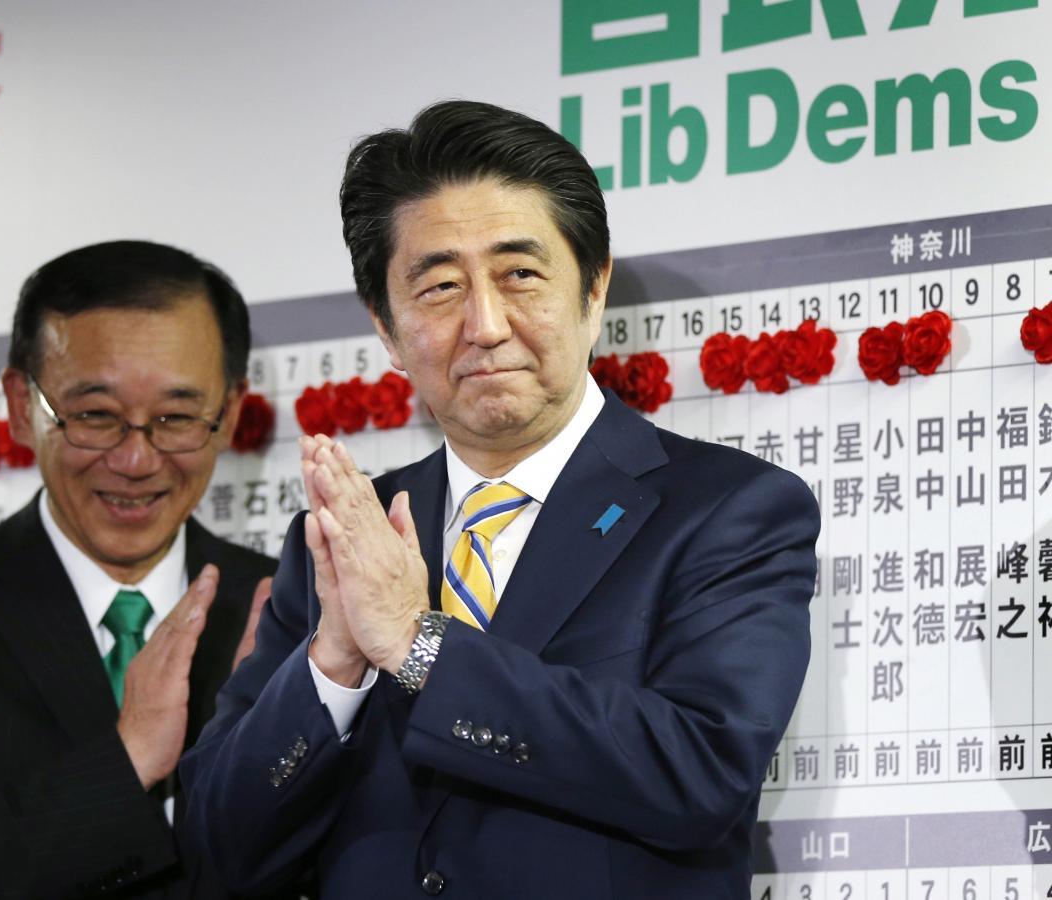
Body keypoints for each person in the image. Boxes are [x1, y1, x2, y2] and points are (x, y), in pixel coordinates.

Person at [181, 101, 820, 898]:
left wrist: (419, 645)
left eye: (520, 274)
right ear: (385, 326)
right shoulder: (349, 537)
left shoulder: (729, 510)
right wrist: (335, 666)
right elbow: (213, 849)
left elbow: (702, 774)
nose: (484, 324)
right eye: (440, 286)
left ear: (593, 289)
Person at [0, 241, 278, 898]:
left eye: (176, 418)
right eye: (95, 415)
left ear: (230, 412)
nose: (135, 459)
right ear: (20, 404)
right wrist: (126, 761)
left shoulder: (291, 611)